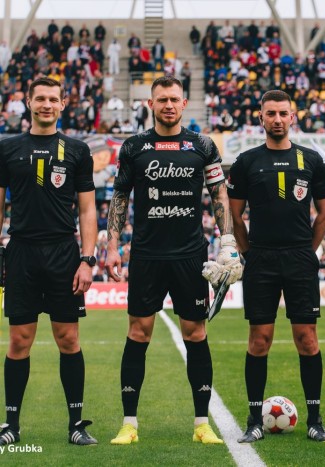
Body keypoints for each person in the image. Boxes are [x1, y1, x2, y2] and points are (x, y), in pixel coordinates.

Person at [105, 76, 242, 445]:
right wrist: (112, 245)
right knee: (138, 332)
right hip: (147, 254)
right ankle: (129, 424)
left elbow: (219, 193)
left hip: (189, 255)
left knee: (195, 333)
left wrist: (228, 241)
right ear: (150, 104)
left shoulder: (202, 145)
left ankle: (202, 424)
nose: (168, 105)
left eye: (174, 99)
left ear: (184, 104)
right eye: (161, 99)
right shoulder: (134, 147)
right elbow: (120, 197)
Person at [228, 90, 325, 443]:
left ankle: (315, 420)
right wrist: (249, 253)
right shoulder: (246, 161)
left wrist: (308, 250)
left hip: (299, 258)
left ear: (292, 117)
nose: (277, 119)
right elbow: (234, 215)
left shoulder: (311, 160)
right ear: (260, 118)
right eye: (271, 113)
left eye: (283, 113)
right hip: (261, 259)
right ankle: (254, 420)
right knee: (259, 340)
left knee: (307, 339)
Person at [0, 77, 98, 446]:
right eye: (40, 98)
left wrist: (87, 259)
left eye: (52, 99)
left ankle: (76, 425)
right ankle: (11, 426)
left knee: (68, 339)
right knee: (19, 341)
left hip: (63, 254)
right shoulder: (7, 148)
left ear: (62, 104)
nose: (46, 104)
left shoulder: (77, 150)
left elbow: (87, 210)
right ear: (28, 102)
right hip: (22, 252)